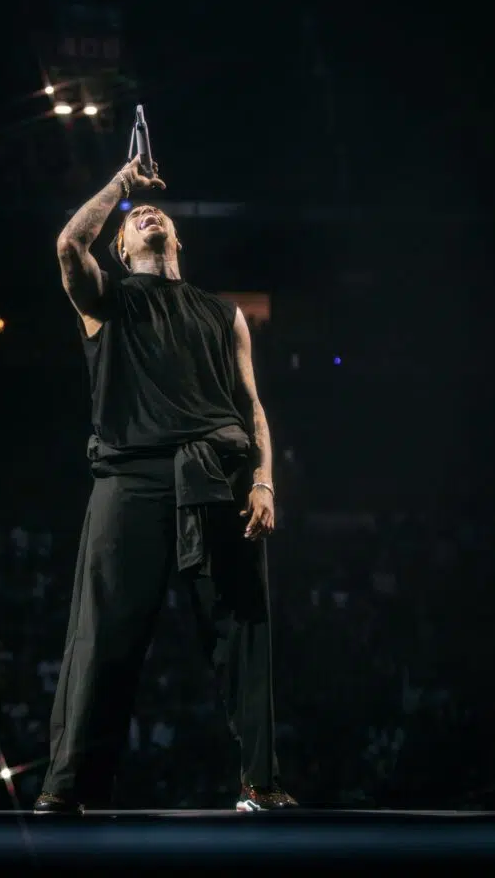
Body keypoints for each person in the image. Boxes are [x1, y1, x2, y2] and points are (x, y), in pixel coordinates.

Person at [34, 155, 297, 814]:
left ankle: (260, 783)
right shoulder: (109, 300)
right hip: (131, 477)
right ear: (121, 250)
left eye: (158, 214)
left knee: (243, 629)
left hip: (218, 474)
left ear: (177, 239)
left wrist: (264, 482)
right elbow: (68, 244)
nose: (148, 215)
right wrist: (123, 186)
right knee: (102, 635)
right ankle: (68, 788)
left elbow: (252, 407)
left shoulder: (222, 315)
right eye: (135, 219)